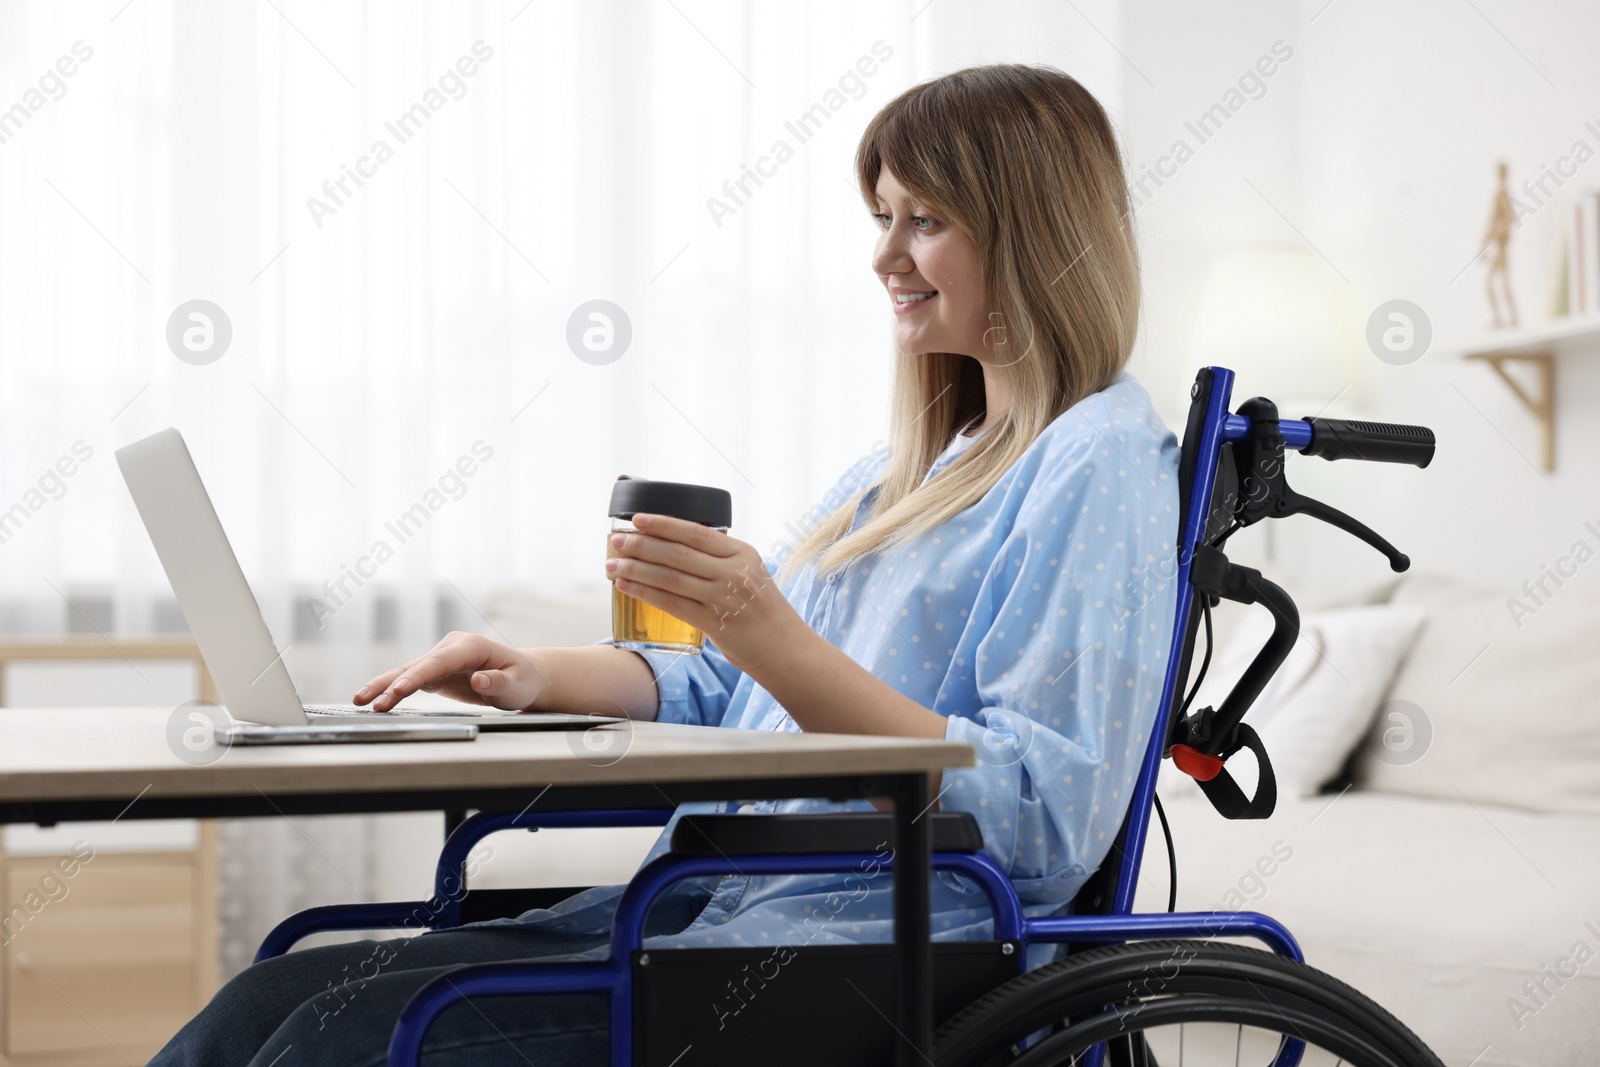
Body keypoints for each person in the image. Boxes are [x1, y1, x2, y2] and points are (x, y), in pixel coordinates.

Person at [150, 61, 1180, 1067]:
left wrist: (766, 629)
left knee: (342, 1036)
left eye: (925, 220)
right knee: (268, 1001)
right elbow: (736, 689)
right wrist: (537, 675)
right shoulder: (897, 471)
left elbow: (1047, 815)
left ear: (1034, 233)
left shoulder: (1096, 458)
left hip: (868, 947)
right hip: (702, 907)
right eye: (882, 217)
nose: (884, 257)